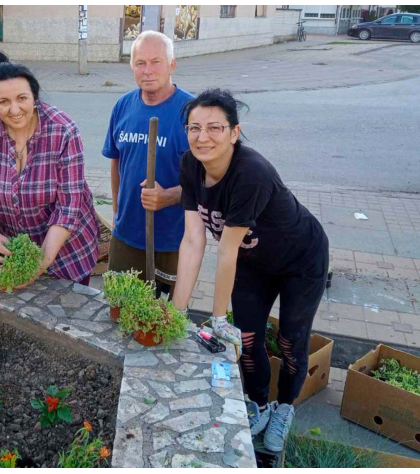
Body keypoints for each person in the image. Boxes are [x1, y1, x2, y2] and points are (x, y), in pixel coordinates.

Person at [172, 89, 329, 453]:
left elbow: (225, 250)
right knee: (245, 339)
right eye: (194, 127)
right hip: (253, 262)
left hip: (301, 261)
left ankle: (285, 407)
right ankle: (258, 403)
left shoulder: (250, 173)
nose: (203, 137)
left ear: (234, 132)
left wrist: (216, 316)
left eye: (214, 127)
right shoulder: (189, 165)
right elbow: (193, 241)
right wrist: (176, 312)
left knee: (290, 339)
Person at [0, 51, 99, 285]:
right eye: (3, 102)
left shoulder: (62, 131)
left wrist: (39, 265)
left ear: (34, 97)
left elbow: (69, 206)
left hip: (68, 254)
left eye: (22, 98)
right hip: (14, 254)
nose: (15, 110)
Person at [102, 30, 194, 296]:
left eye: (156, 62)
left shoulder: (191, 112)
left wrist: (170, 196)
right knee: (119, 308)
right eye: (140, 63)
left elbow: (208, 181)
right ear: (132, 67)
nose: (148, 70)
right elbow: (116, 161)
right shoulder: (123, 106)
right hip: (126, 236)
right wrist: (118, 211)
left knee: (163, 320)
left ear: (172, 65)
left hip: (173, 240)